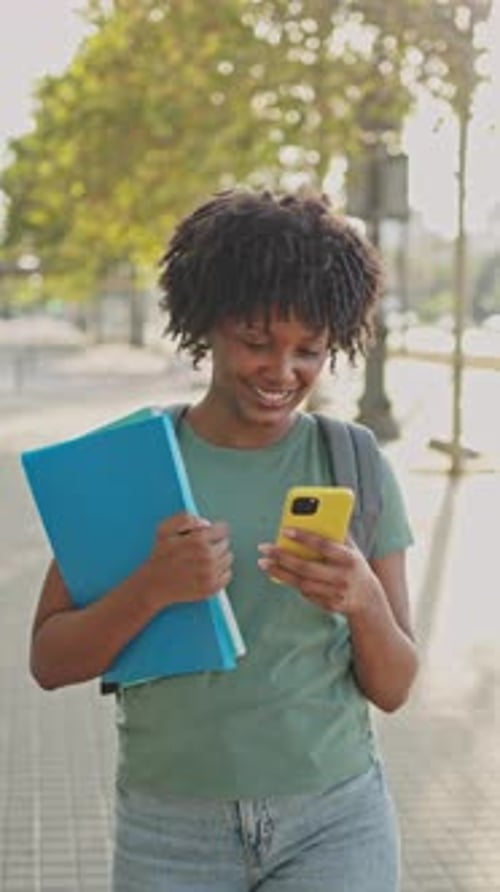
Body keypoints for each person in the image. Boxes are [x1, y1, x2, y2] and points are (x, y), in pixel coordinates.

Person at [30, 188, 418, 892]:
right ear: (206, 323)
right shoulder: (132, 462)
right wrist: (152, 588)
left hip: (336, 818)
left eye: (310, 350)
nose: (282, 371)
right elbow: (49, 661)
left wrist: (363, 601)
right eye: (256, 341)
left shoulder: (354, 461)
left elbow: (394, 688)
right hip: (169, 828)